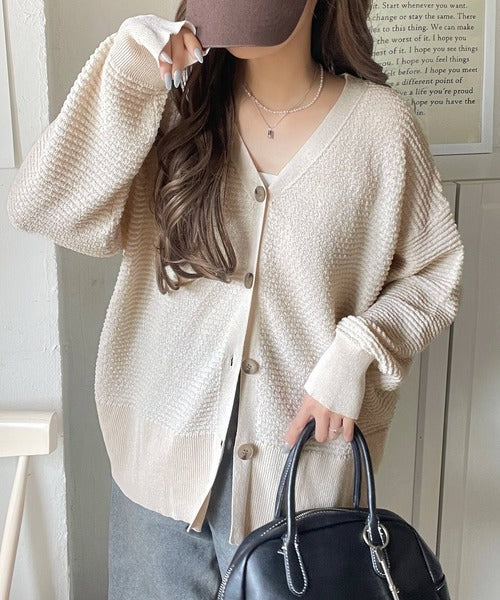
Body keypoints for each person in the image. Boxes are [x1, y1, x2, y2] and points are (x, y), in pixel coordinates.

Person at [6, 0, 465, 598]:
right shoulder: (174, 108)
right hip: (158, 487)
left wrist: (356, 353)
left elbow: (433, 274)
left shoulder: (382, 127)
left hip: (298, 492)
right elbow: (44, 206)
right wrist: (127, 73)